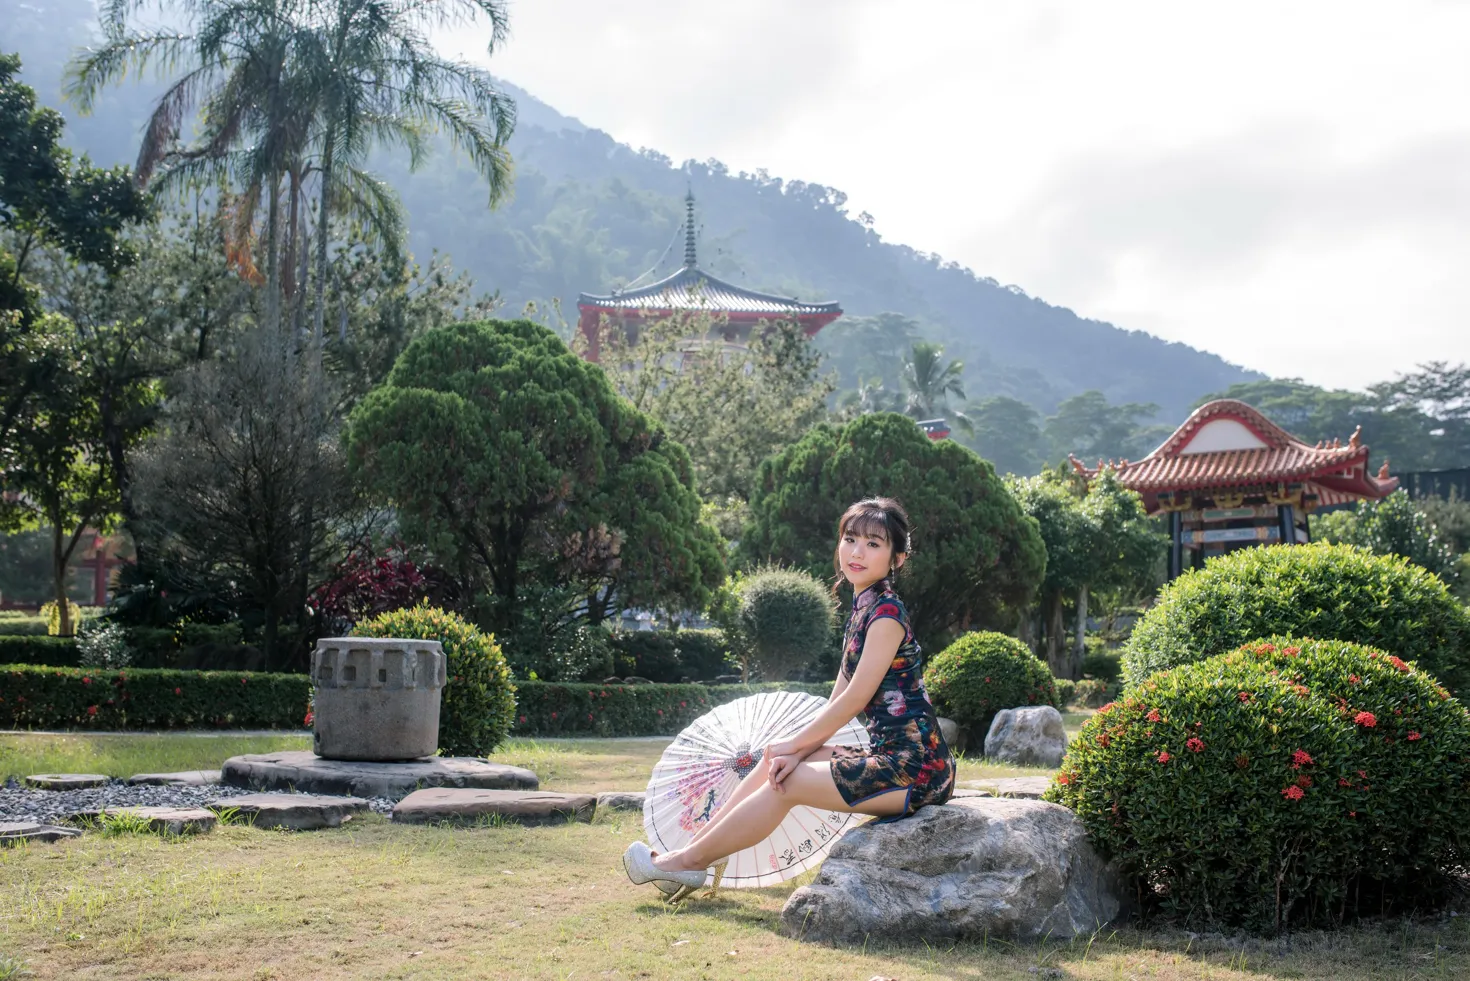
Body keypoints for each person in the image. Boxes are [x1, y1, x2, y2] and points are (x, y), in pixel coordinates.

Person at [622, 496, 955, 894]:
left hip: (915, 769)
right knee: (776, 759)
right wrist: (791, 748)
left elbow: (854, 700)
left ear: (897, 558)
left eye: (873, 544)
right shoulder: (862, 612)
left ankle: (687, 863)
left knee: (788, 780)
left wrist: (796, 748)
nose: (857, 552)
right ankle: (693, 853)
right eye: (850, 539)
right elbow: (838, 700)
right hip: (887, 755)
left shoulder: (886, 616)